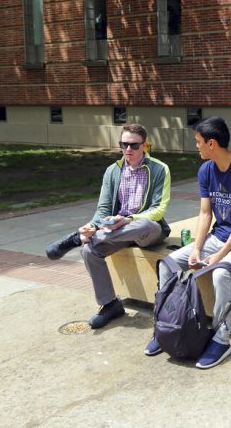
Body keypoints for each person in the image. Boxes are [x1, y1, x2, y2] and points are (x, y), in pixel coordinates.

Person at [145, 116, 231, 369]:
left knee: (221, 274)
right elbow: (205, 214)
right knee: (168, 265)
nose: (196, 146)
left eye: (198, 142)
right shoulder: (206, 170)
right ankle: (166, 327)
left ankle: (221, 340)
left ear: (212, 143)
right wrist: (197, 249)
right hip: (216, 237)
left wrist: (219, 257)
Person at [46, 124, 171, 328]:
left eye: (133, 145)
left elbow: (159, 209)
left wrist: (128, 220)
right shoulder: (113, 171)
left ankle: (76, 238)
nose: (128, 150)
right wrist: (93, 226)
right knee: (89, 251)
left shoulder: (159, 168)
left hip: (148, 229)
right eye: (124, 144)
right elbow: (103, 208)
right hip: (115, 230)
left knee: (143, 224)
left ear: (144, 146)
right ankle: (110, 305)